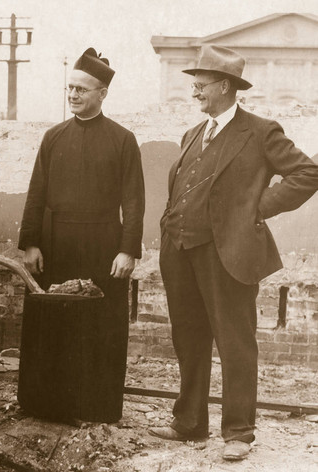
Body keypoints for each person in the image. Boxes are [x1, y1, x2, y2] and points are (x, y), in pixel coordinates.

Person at [152, 45, 318, 460]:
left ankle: (239, 432)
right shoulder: (193, 133)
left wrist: (257, 209)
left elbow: (307, 172)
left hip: (228, 253)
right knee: (188, 337)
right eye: (194, 84)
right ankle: (189, 422)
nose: (194, 91)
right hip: (181, 250)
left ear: (225, 86)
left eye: (201, 84)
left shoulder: (260, 131)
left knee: (235, 341)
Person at [18, 48, 145, 422]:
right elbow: (36, 193)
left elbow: (134, 200)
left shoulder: (123, 140)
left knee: (100, 328)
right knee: (54, 326)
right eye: (69, 88)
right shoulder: (53, 137)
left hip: (103, 245)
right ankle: (47, 405)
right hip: (56, 246)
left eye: (82, 90)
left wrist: (127, 250)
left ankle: (95, 406)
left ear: (102, 93)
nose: (73, 95)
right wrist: (32, 243)